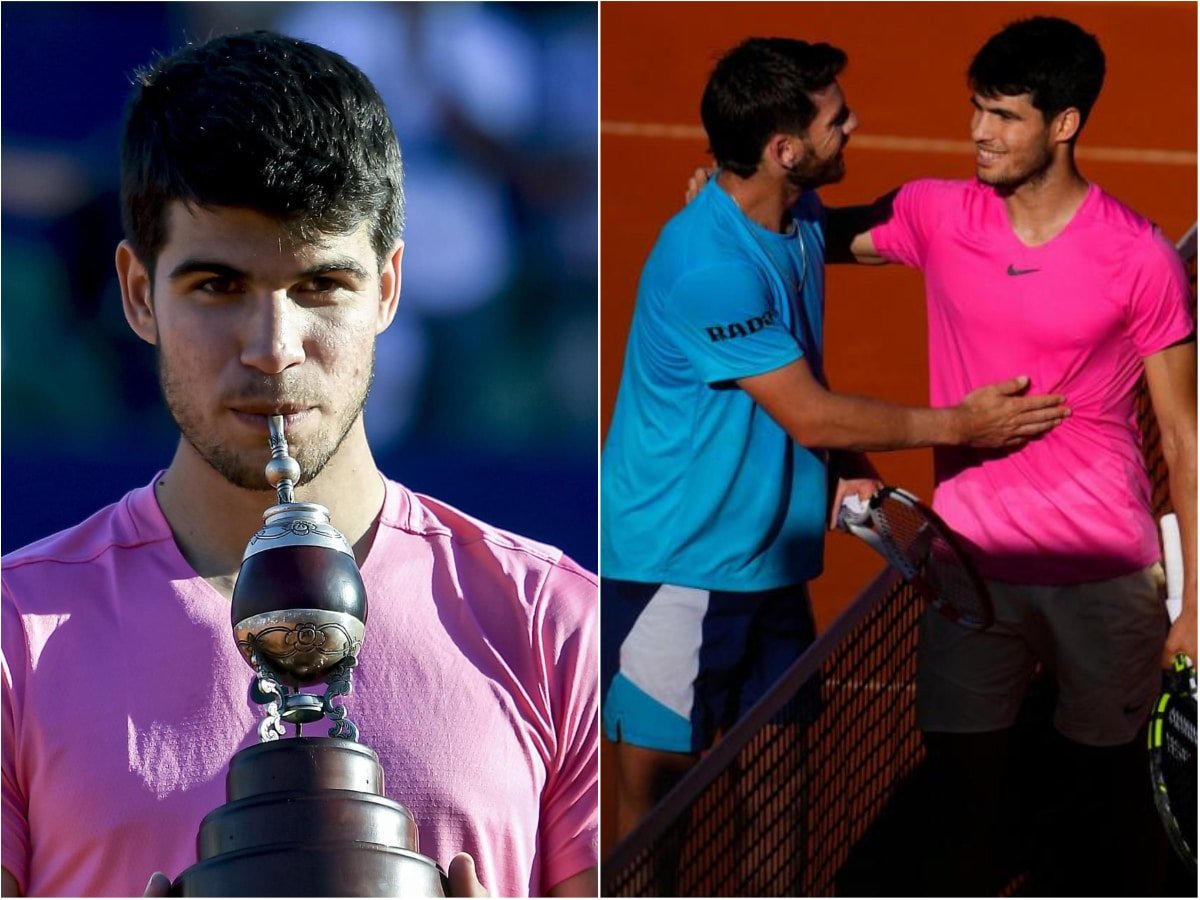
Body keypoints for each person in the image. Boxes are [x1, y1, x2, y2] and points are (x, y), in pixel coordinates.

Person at [1, 31, 597, 899]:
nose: (273, 349)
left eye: (321, 285)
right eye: (217, 286)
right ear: (138, 294)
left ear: (389, 288)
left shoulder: (554, 629)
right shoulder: (14, 641)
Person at [599, 36, 1070, 846]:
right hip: (675, 570)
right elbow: (809, 413)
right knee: (653, 821)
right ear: (784, 151)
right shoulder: (709, 265)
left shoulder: (796, 214)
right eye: (834, 118)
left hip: (769, 559)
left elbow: (792, 387)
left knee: (786, 792)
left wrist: (847, 470)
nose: (852, 123)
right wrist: (961, 425)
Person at [822, 16, 1196, 895]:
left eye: (1005, 116)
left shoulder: (1138, 258)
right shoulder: (935, 216)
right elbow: (808, 239)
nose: (980, 134)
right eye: (977, 111)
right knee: (960, 788)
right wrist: (727, 203)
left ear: (1064, 124)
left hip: (1104, 574)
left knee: (1107, 793)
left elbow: (1181, 433)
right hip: (968, 573)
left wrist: (1197, 606)